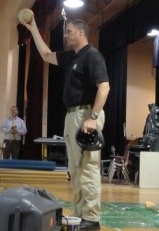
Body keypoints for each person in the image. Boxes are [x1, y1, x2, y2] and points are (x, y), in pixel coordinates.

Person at [20, 15, 110, 230]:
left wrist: (93, 118)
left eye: (68, 31)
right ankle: (80, 214)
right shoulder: (72, 57)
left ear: (80, 32)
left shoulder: (92, 56)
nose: (65, 35)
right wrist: (33, 27)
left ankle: (92, 218)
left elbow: (104, 87)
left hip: (86, 114)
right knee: (75, 168)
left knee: (87, 168)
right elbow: (45, 55)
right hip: (72, 116)